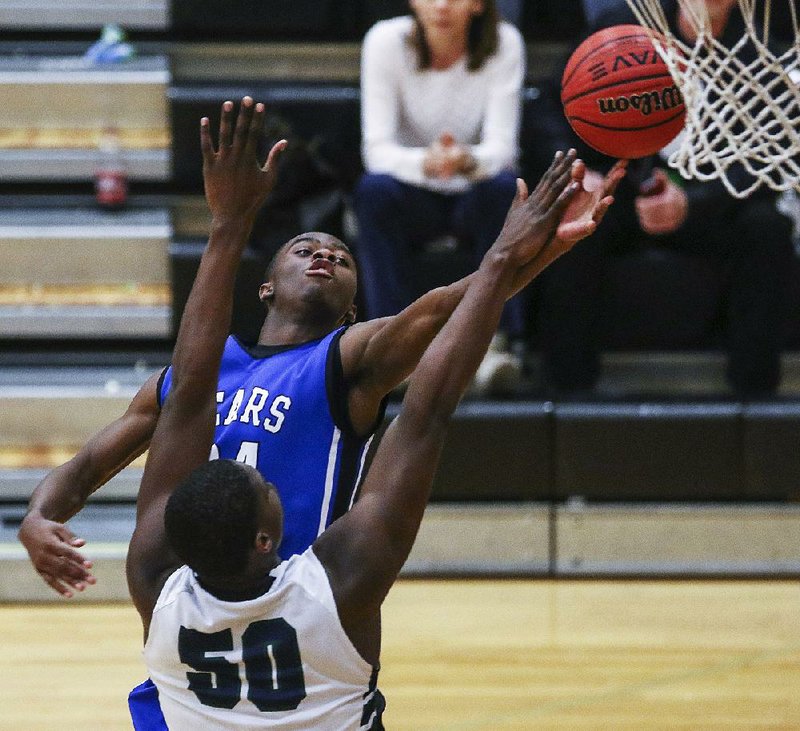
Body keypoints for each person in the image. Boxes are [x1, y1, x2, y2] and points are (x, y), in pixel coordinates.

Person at [126, 96, 604, 729]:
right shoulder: (331, 592)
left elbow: (188, 395)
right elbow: (425, 412)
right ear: (267, 538)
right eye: (264, 483)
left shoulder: (156, 587)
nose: (264, 474)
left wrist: (228, 225)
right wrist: (503, 259)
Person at [20, 108, 625, 598]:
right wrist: (38, 516)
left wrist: (536, 250)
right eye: (305, 248)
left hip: (302, 600)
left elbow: (444, 310)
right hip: (191, 609)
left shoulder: (350, 358)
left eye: (341, 257)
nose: (324, 256)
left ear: (354, 307)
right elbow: (90, 464)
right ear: (266, 285)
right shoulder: (195, 375)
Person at [536, 0, 795, 398]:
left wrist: (693, 203)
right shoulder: (621, 29)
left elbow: (765, 165)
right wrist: (577, 170)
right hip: (615, 191)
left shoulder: (760, 54)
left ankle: (755, 395)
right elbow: (548, 111)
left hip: (707, 204)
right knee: (572, 231)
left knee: (768, 228)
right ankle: (566, 392)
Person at [354, 0, 528, 393]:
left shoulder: (505, 42)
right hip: (413, 192)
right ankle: (392, 345)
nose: (443, 4)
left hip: (473, 190)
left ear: (480, 4)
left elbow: (504, 150)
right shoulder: (384, 41)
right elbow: (376, 151)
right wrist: (427, 163)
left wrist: (464, 160)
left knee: (505, 188)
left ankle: (495, 348)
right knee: (372, 192)